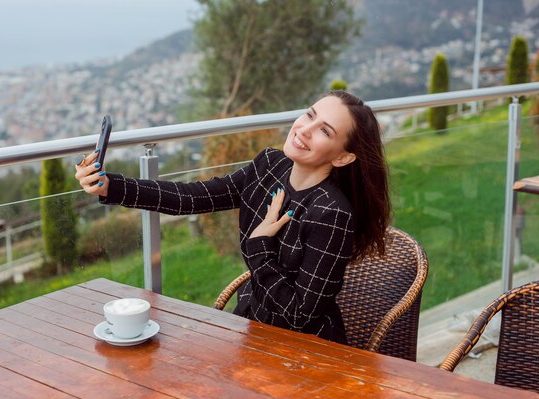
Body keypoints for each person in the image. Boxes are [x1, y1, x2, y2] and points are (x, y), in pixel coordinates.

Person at [76, 90, 391, 344]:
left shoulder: (331, 214)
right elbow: (195, 198)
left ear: (343, 156)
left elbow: (298, 316)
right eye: (309, 115)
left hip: (304, 351)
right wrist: (111, 186)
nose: (304, 130)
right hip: (252, 328)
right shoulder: (269, 166)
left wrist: (259, 244)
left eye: (324, 130)